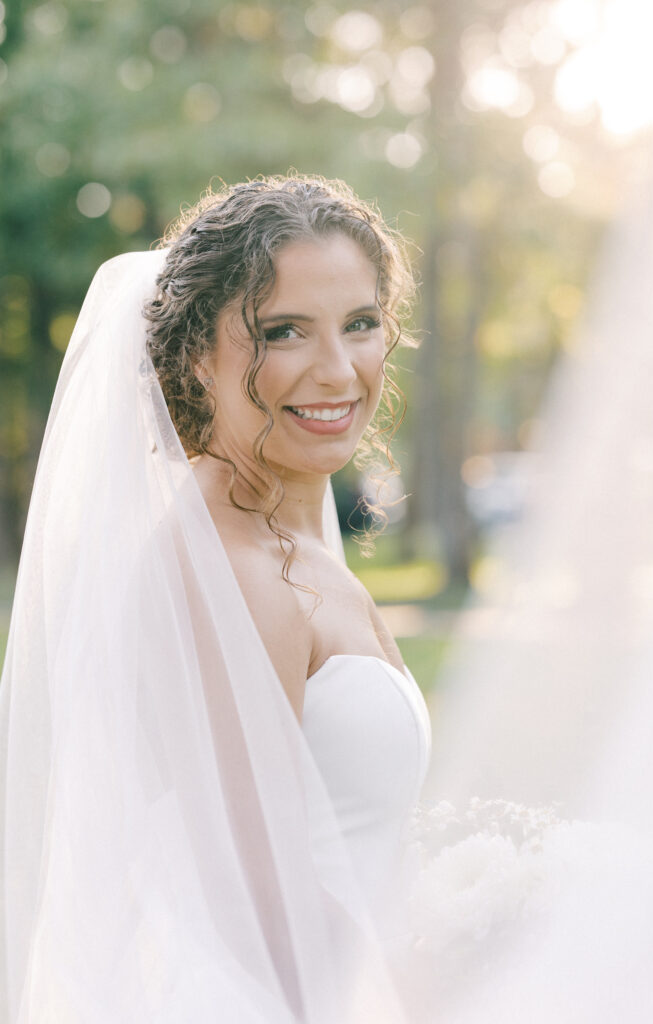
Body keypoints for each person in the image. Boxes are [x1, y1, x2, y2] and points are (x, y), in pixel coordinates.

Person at [0, 176, 430, 1023]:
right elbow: (256, 917)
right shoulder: (224, 567)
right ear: (198, 353)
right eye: (283, 332)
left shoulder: (285, 541)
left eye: (360, 324)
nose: (338, 369)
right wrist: (464, 969)